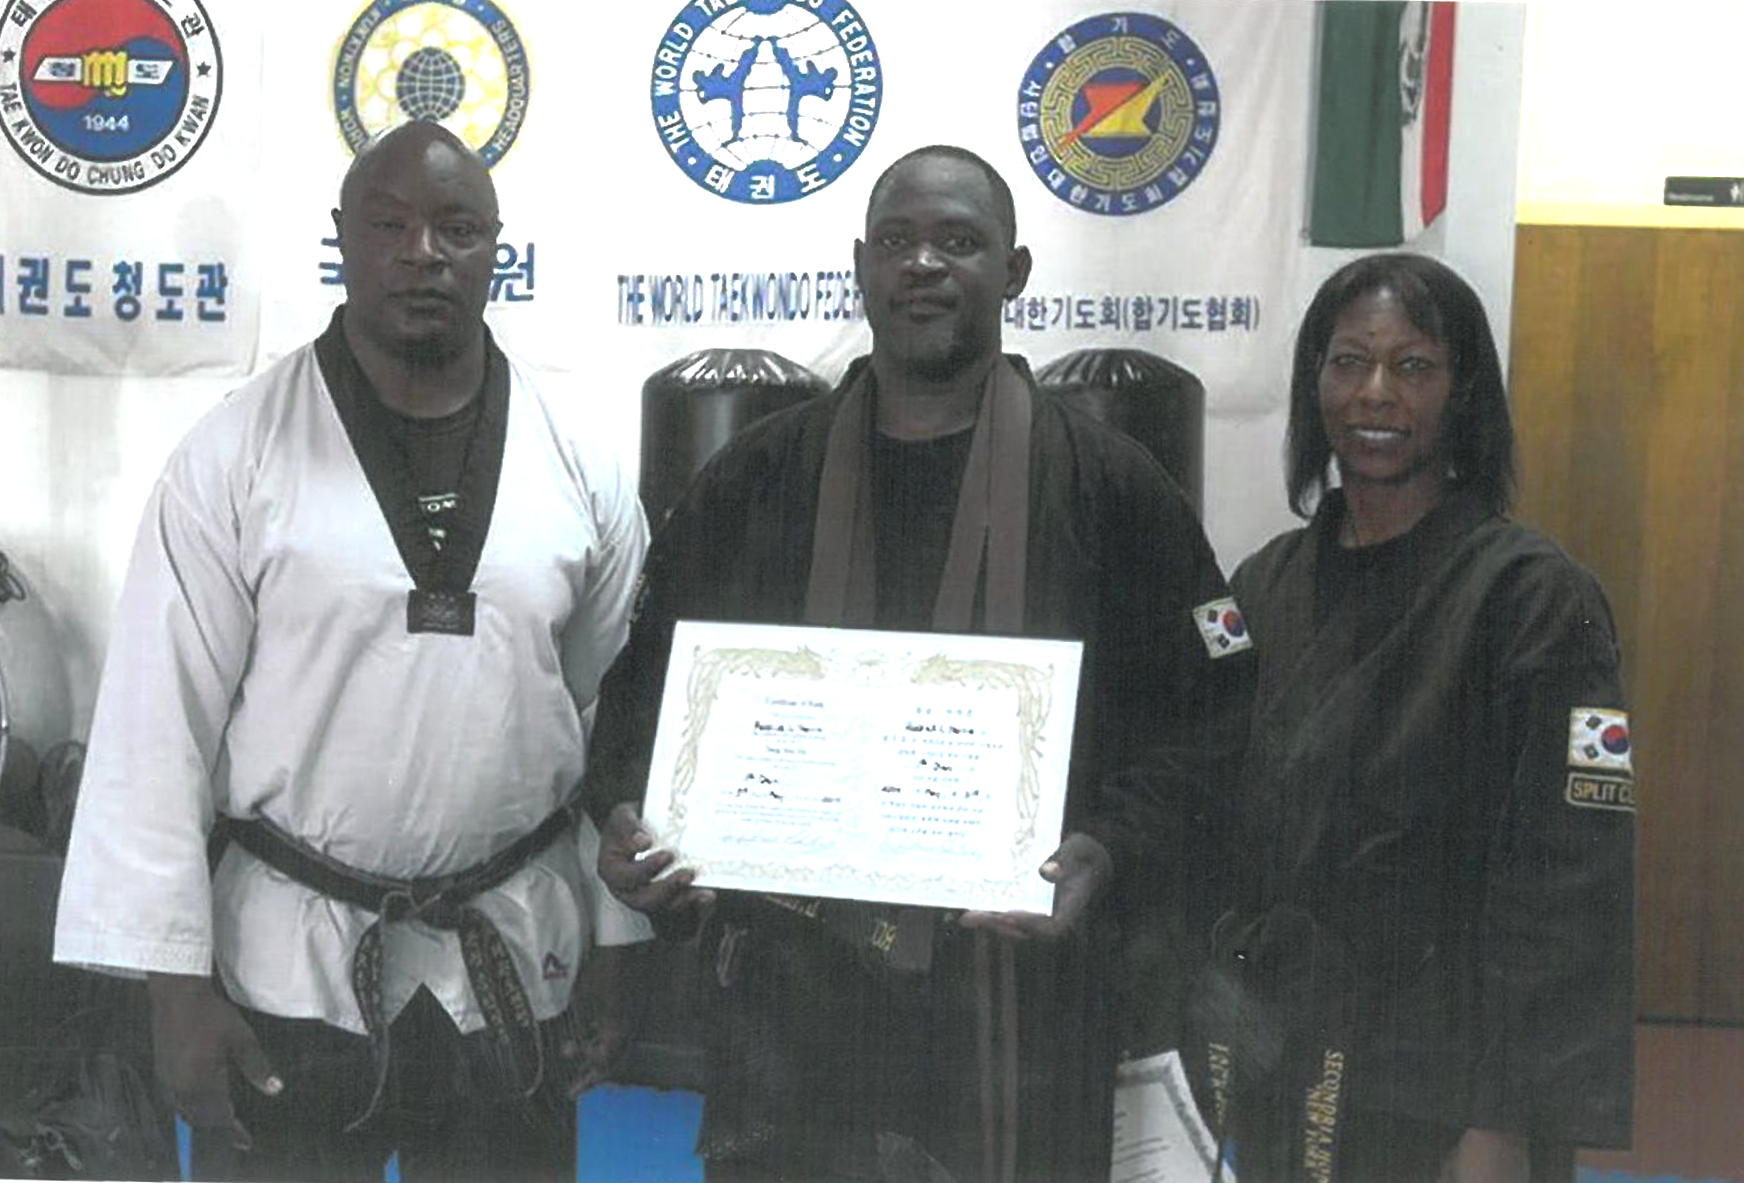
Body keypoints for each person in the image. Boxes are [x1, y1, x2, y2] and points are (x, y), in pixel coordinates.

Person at [588, 143, 1254, 1183]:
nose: (924, 264)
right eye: (896, 241)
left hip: (1017, 1014)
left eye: (959, 241)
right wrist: (631, 825)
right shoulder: (753, 480)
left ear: (1015, 271)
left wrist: (1110, 846)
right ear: (861, 266)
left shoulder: (1113, 487)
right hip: (789, 1020)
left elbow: (1215, 713)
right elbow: (642, 695)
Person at [53, 121, 652, 1183]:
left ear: (497, 247)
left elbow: (612, 718)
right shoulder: (234, 454)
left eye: (457, 228)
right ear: (342, 239)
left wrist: (615, 945)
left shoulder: (578, 460)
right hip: (285, 971)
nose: (424, 252)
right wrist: (173, 992)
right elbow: (157, 727)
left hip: (516, 960)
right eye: (390, 226)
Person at [1185, 253, 1635, 1183]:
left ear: (1463, 392)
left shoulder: (1533, 598)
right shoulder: (1264, 583)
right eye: (1349, 362)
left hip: (1446, 1087)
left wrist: (1506, 1119)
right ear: (1314, 384)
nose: (1376, 393)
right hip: (1282, 1057)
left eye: (1413, 365)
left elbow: (1567, 887)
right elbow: (1204, 802)